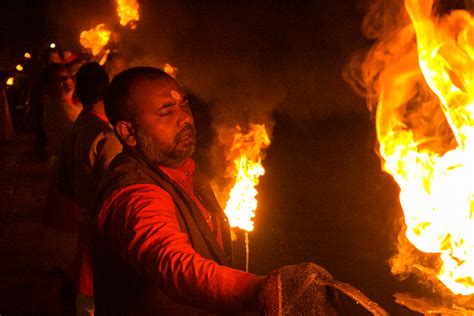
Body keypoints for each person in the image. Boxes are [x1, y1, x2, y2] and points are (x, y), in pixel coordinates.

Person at [93, 67, 263, 314]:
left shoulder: (180, 171)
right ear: (128, 132)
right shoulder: (134, 193)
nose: (185, 119)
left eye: (184, 105)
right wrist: (259, 289)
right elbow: (173, 263)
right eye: (167, 112)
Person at [58, 62, 122, 315]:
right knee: (102, 291)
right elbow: (116, 190)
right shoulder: (107, 136)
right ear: (107, 94)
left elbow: (63, 182)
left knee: (86, 290)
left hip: (85, 220)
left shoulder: (76, 127)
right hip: (105, 228)